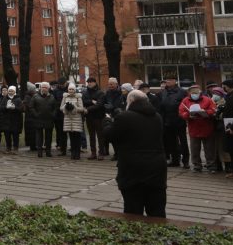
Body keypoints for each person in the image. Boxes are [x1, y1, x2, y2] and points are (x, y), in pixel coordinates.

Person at [104, 89, 167, 218]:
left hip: (132, 168)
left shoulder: (125, 117)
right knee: (157, 210)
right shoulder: (157, 116)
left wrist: (108, 121)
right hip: (156, 167)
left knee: (133, 210)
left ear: (131, 101)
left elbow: (109, 135)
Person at [178, 83, 217, 173]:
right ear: (189, 92)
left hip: (207, 127)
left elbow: (213, 109)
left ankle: (211, 166)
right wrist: (188, 115)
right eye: (192, 92)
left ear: (200, 92)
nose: (194, 93)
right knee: (194, 149)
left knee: (209, 149)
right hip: (194, 128)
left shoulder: (207, 100)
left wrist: (206, 112)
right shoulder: (185, 101)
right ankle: (196, 166)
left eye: (196, 91)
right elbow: (181, 112)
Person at [159, 75, 189, 168]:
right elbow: (161, 107)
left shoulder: (182, 92)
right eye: (166, 80)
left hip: (179, 120)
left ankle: (185, 161)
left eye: (170, 80)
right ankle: (175, 160)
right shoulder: (163, 92)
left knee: (183, 141)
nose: (167, 81)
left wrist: (183, 117)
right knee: (171, 142)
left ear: (175, 81)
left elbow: (186, 105)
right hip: (167, 121)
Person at [28, 82, 58, 157]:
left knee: (49, 136)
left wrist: (53, 115)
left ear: (48, 88)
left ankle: (48, 151)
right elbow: (31, 107)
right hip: (38, 119)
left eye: (46, 87)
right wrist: (35, 114)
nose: (44, 88)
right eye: (43, 87)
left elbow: (55, 107)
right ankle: (39, 152)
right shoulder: (35, 96)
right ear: (40, 88)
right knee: (39, 137)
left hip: (49, 119)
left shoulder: (52, 97)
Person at [81, 77, 108, 160]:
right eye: (88, 82)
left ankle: (101, 153)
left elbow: (99, 104)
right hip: (89, 117)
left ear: (95, 83)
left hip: (98, 117)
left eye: (91, 82)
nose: (89, 83)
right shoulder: (85, 92)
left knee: (100, 135)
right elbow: (83, 101)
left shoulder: (100, 93)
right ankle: (93, 153)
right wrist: (92, 101)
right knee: (91, 135)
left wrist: (88, 109)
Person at [61, 83, 87, 160]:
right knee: (71, 137)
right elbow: (61, 107)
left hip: (76, 119)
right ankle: (73, 153)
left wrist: (74, 107)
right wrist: (66, 107)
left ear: (75, 90)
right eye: (70, 89)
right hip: (68, 119)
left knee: (77, 137)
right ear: (68, 90)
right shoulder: (65, 97)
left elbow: (81, 108)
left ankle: (77, 153)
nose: (71, 91)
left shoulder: (78, 97)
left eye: (72, 89)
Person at [0, 85, 22, 153]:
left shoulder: (18, 99)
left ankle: (15, 148)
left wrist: (14, 108)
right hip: (6, 120)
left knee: (15, 134)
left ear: (14, 91)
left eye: (12, 91)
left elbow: (21, 109)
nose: (10, 92)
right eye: (9, 91)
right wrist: (6, 107)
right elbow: (0, 107)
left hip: (16, 120)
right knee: (7, 134)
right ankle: (8, 147)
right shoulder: (5, 98)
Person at [52, 79, 68, 155]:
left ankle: (74, 147)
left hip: (68, 113)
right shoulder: (55, 91)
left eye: (63, 84)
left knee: (70, 131)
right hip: (59, 114)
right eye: (60, 84)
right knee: (61, 132)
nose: (62, 85)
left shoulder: (69, 89)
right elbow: (53, 101)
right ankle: (62, 148)